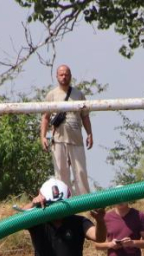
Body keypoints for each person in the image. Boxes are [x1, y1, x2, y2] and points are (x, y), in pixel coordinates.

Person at [40, 64, 93, 195]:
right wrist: (43, 136)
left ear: (70, 76)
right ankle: (64, 200)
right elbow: (45, 117)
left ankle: (86, 201)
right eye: (61, 74)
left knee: (80, 171)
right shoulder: (51, 95)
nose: (64, 77)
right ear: (57, 76)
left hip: (76, 138)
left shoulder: (79, 94)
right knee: (61, 172)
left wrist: (90, 134)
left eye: (66, 74)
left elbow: (85, 116)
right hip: (58, 139)